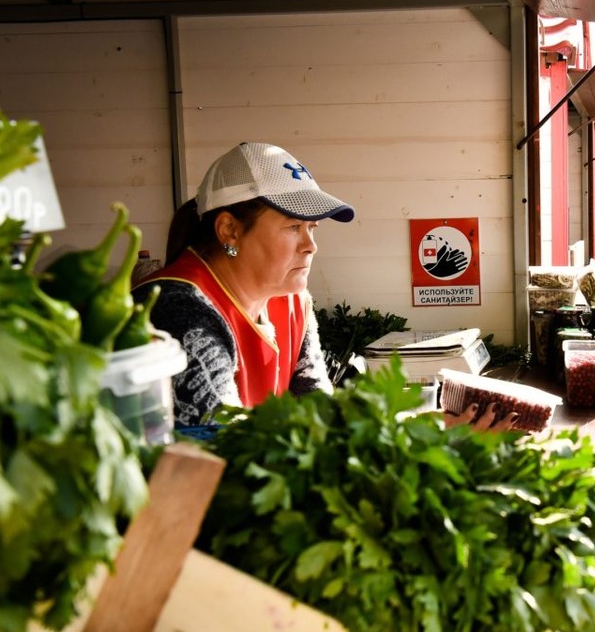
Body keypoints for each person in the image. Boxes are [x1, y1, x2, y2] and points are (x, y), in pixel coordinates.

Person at [139, 142, 507, 430]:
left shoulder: (292, 302)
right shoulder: (177, 309)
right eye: (292, 227)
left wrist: (418, 428)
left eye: (312, 228)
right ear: (229, 230)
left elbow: (320, 412)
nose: (310, 245)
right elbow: (225, 445)